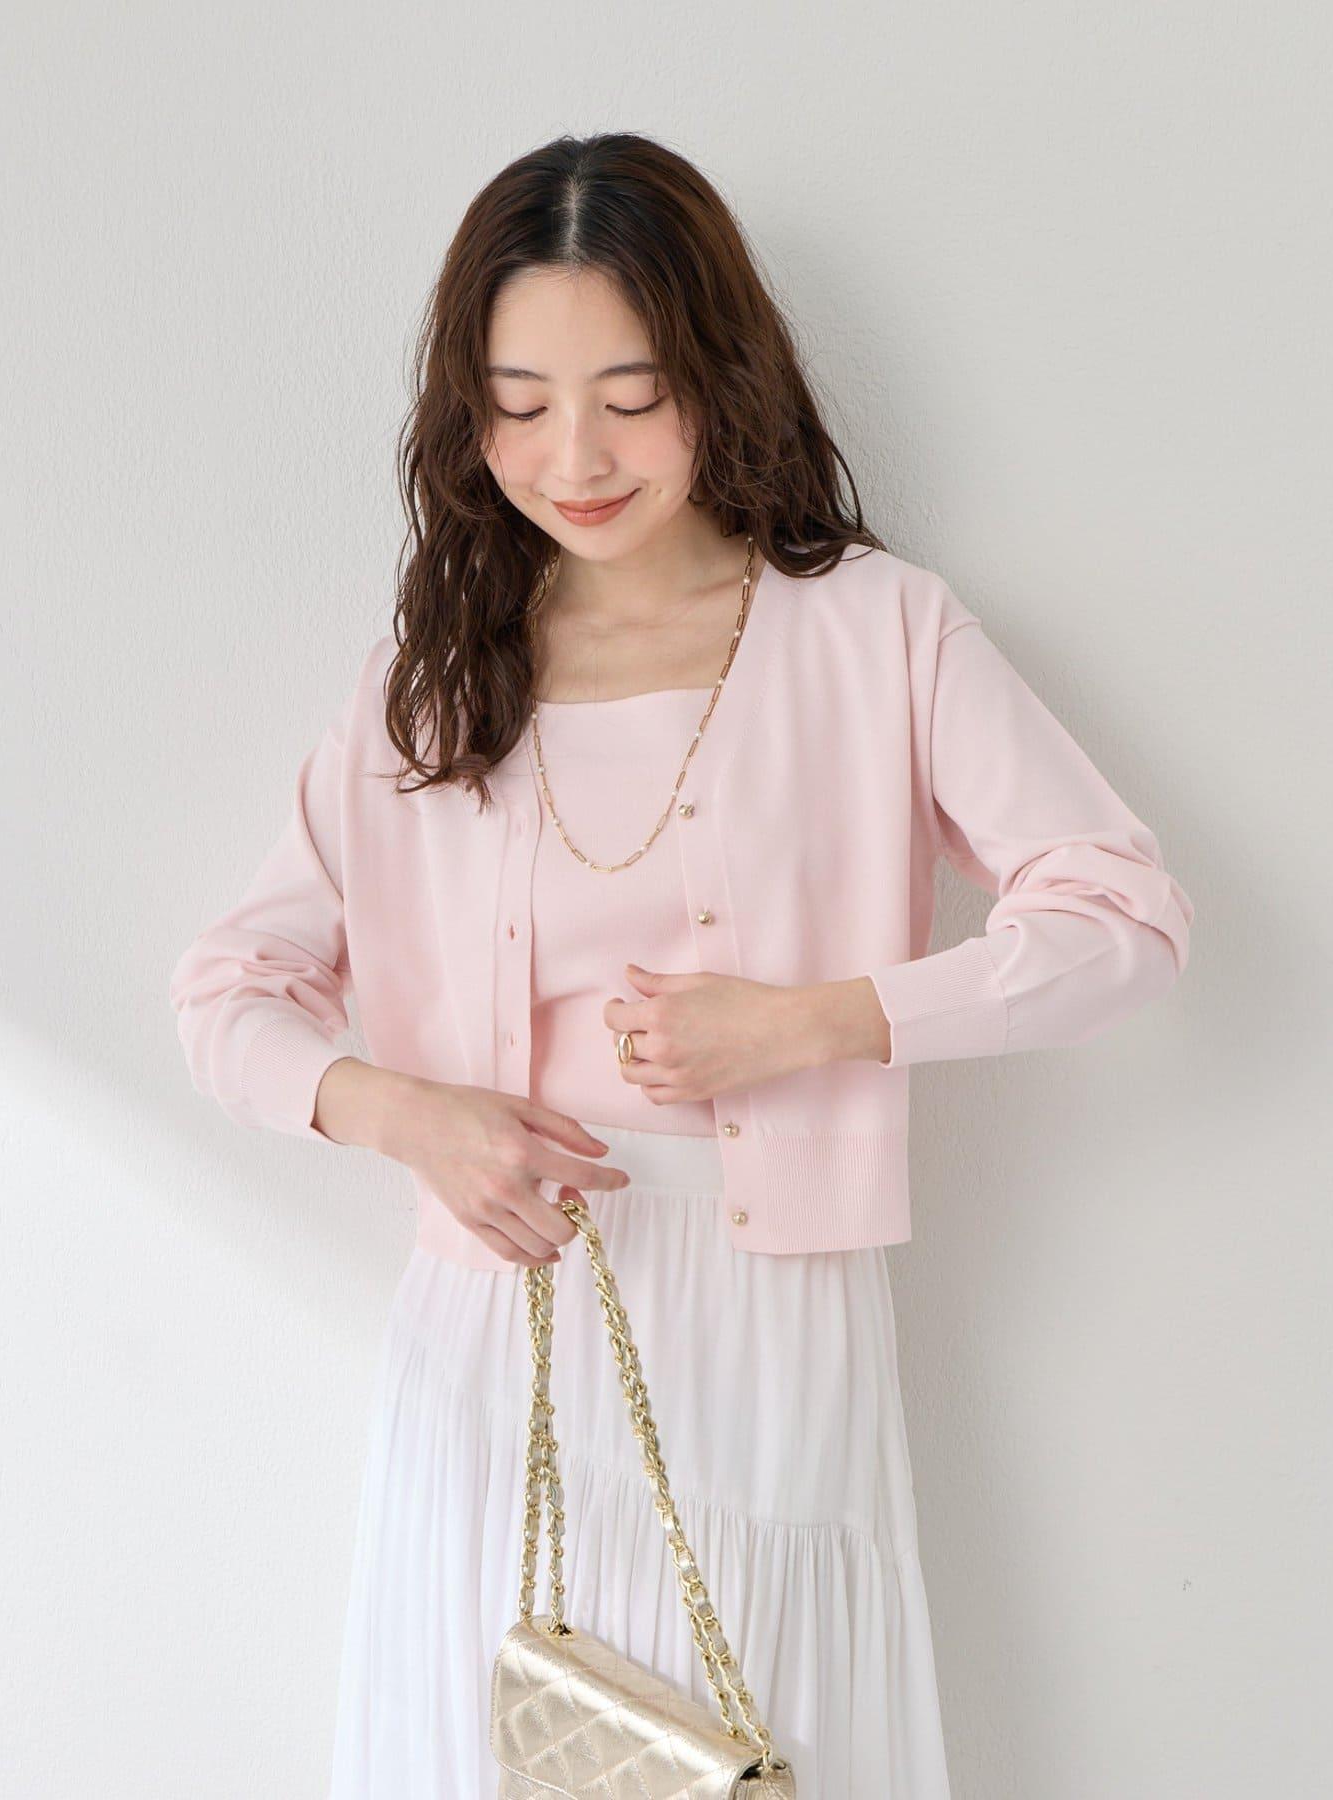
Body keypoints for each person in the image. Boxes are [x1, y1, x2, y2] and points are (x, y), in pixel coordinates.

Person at [168, 132, 1195, 1798]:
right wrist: (409, 1117)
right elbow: (230, 993)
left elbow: (1121, 920)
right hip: (495, 1317)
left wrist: (817, 1023)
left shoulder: (875, 631)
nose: (572, 455)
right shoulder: (432, 675)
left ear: (720, 376)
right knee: (492, 1740)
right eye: (519, 403)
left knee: (752, 1735)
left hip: (760, 1308)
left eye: (630, 397)